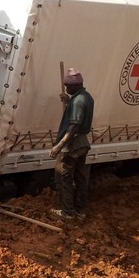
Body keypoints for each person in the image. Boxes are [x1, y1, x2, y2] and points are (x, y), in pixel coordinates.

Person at [50, 68, 94, 221]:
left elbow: (74, 126)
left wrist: (59, 146)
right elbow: (80, 111)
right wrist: (69, 101)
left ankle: (67, 212)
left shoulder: (78, 101)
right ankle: (80, 211)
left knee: (64, 177)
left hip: (73, 145)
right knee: (81, 177)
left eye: (68, 86)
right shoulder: (86, 97)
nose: (67, 88)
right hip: (82, 144)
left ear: (76, 86)